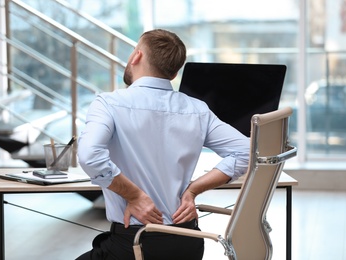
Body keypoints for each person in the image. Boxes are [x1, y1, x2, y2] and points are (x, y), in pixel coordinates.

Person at [76, 29, 250, 260]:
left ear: (136, 56)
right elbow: (248, 151)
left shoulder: (109, 103)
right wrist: (193, 190)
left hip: (134, 245)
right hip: (188, 243)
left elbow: (89, 156)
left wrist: (135, 196)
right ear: (175, 72)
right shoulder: (197, 109)